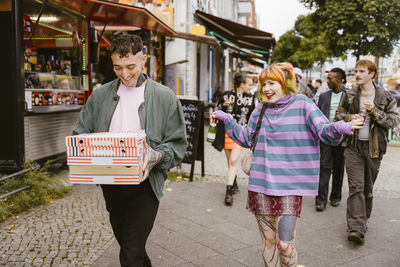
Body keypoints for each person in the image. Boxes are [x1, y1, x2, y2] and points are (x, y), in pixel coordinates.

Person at [213, 62, 363, 266]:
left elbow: (322, 129)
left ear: (284, 83)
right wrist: (228, 120)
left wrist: (341, 127)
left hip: (290, 186)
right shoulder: (261, 109)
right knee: (268, 241)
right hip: (261, 184)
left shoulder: (302, 103)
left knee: (284, 243)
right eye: (263, 84)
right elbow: (248, 138)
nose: (266, 88)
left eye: (271, 83)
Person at [72, 34, 187, 266]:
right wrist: (88, 150)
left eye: (130, 66)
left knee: (131, 251)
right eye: (118, 67)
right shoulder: (100, 95)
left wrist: (155, 156)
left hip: (145, 185)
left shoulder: (165, 97)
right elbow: (80, 134)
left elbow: (177, 145)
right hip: (111, 184)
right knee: (130, 245)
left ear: (143, 59)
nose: (125, 74)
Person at [335, 59, 399, 245]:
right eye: (356, 71)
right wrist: (349, 117)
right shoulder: (349, 94)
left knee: (368, 189)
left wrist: (374, 113)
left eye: (361, 71)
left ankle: (363, 218)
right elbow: (338, 116)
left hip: (374, 149)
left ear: (371, 74)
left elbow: (393, 122)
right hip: (353, 147)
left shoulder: (385, 97)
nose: (357, 74)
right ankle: (356, 228)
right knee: (356, 187)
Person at [212, 72, 255, 206]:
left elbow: (254, 116)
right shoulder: (226, 95)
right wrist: (224, 105)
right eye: (249, 84)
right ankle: (234, 183)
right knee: (230, 162)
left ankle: (228, 192)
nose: (251, 86)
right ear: (241, 84)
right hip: (226, 133)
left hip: (239, 133)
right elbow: (215, 110)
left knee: (232, 162)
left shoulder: (251, 98)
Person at [315, 68, 347, 211]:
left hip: (342, 139)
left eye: (330, 78)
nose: (327, 81)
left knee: (339, 169)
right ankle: (321, 200)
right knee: (324, 168)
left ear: (339, 79)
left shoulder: (349, 95)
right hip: (326, 138)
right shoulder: (324, 96)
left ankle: (335, 197)